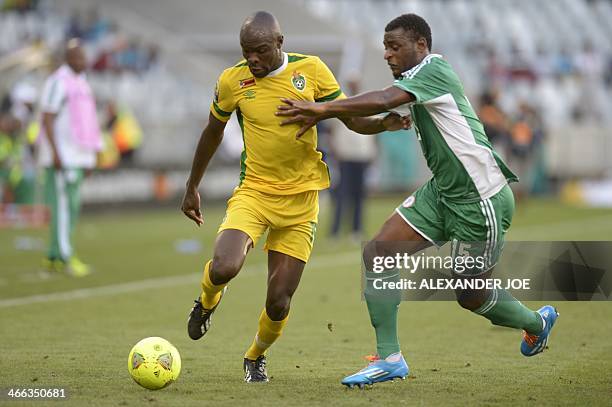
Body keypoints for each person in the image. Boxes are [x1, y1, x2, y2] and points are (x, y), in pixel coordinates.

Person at [277, 13, 558, 387]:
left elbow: (383, 99)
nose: (387, 55)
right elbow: (385, 106)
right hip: (442, 193)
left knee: (470, 295)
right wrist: (383, 122)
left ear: (421, 46)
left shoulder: (434, 69)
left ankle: (537, 323)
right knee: (377, 253)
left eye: (395, 47)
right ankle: (390, 358)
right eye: (385, 47)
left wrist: (323, 108)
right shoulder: (414, 79)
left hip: (480, 200)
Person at [181, 11, 407, 383]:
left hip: (301, 202)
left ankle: (255, 355)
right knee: (224, 266)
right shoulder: (232, 81)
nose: (252, 59)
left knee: (279, 300)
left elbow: (349, 118)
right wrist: (192, 186)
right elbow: (212, 132)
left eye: (260, 51)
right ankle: (207, 301)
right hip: (254, 192)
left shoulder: (312, 71)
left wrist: (382, 123)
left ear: (280, 45)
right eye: (245, 51)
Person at [39, 39, 102, 276]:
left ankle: (55, 255)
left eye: (84, 57)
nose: (83, 61)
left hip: (78, 156)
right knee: (63, 208)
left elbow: (88, 121)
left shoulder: (82, 82)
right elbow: (47, 117)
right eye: (78, 57)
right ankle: (64, 256)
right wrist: (54, 153)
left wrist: (90, 158)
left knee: (70, 207)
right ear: (68, 59)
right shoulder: (57, 82)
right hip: (62, 156)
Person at [328, 78, 376, 241]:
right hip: (346, 156)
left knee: (359, 196)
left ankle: (356, 230)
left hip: (362, 156)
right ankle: (335, 231)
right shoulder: (343, 105)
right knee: (342, 194)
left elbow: (373, 133)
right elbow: (333, 133)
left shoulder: (367, 105)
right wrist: (336, 153)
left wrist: (373, 154)